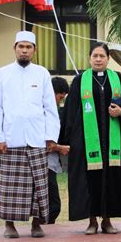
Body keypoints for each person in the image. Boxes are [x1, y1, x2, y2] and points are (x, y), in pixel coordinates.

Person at [0, 31, 60, 238]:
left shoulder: (42, 73)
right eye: (21, 46)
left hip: (37, 139)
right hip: (11, 139)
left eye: (29, 47)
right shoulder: (2, 74)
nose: (24, 51)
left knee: (39, 185)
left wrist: (51, 137)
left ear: (34, 50)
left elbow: (50, 108)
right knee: (10, 186)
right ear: (14, 48)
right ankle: (9, 225)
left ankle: (37, 224)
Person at [60, 42, 121, 235]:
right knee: (90, 180)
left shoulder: (118, 79)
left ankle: (108, 220)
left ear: (108, 58)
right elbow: (70, 111)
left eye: (102, 56)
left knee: (111, 179)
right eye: (95, 56)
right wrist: (66, 139)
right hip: (86, 141)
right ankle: (92, 221)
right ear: (89, 58)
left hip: (112, 140)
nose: (98, 59)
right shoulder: (80, 81)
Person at [47, 77, 71, 224]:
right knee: (52, 201)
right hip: (45, 159)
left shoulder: (56, 110)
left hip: (53, 160)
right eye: (60, 97)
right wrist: (59, 147)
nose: (60, 101)